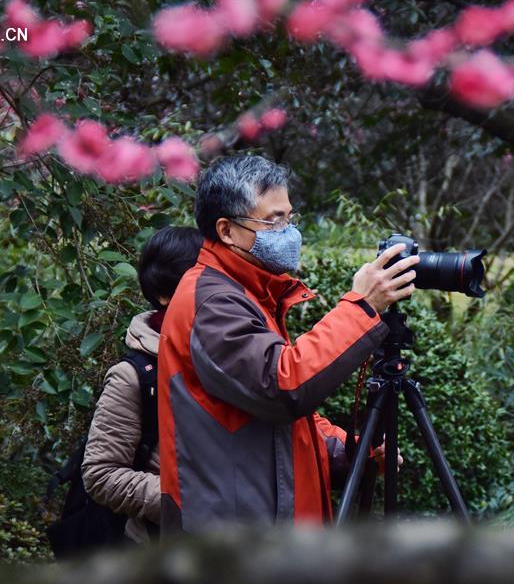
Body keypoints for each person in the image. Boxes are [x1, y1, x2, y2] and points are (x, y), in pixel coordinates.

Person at [157, 155, 418, 533]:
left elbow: (278, 428)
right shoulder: (213, 303)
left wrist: (348, 450)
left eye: (289, 218)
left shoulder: (250, 293)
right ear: (227, 231)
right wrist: (362, 306)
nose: (288, 232)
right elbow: (283, 386)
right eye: (273, 220)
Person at [81, 226, 203, 544]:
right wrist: (183, 502)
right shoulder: (134, 376)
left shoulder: (232, 353)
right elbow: (101, 474)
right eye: (194, 282)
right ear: (163, 294)